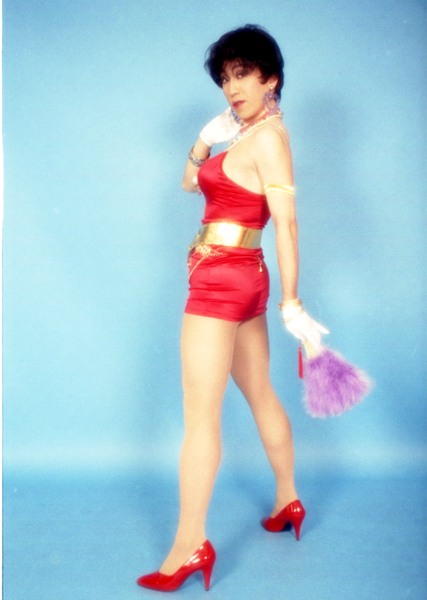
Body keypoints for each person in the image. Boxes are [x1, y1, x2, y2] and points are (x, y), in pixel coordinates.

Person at [136, 24, 328, 593]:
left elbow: (287, 223)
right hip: (241, 278)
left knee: (200, 416)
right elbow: (188, 183)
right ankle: (288, 499)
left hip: (221, 282)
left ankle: (189, 544)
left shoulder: (268, 139)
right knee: (260, 390)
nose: (231, 87)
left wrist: (293, 301)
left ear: (272, 79)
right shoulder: (246, 135)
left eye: (243, 74)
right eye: (224, 78)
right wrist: (204, 139)